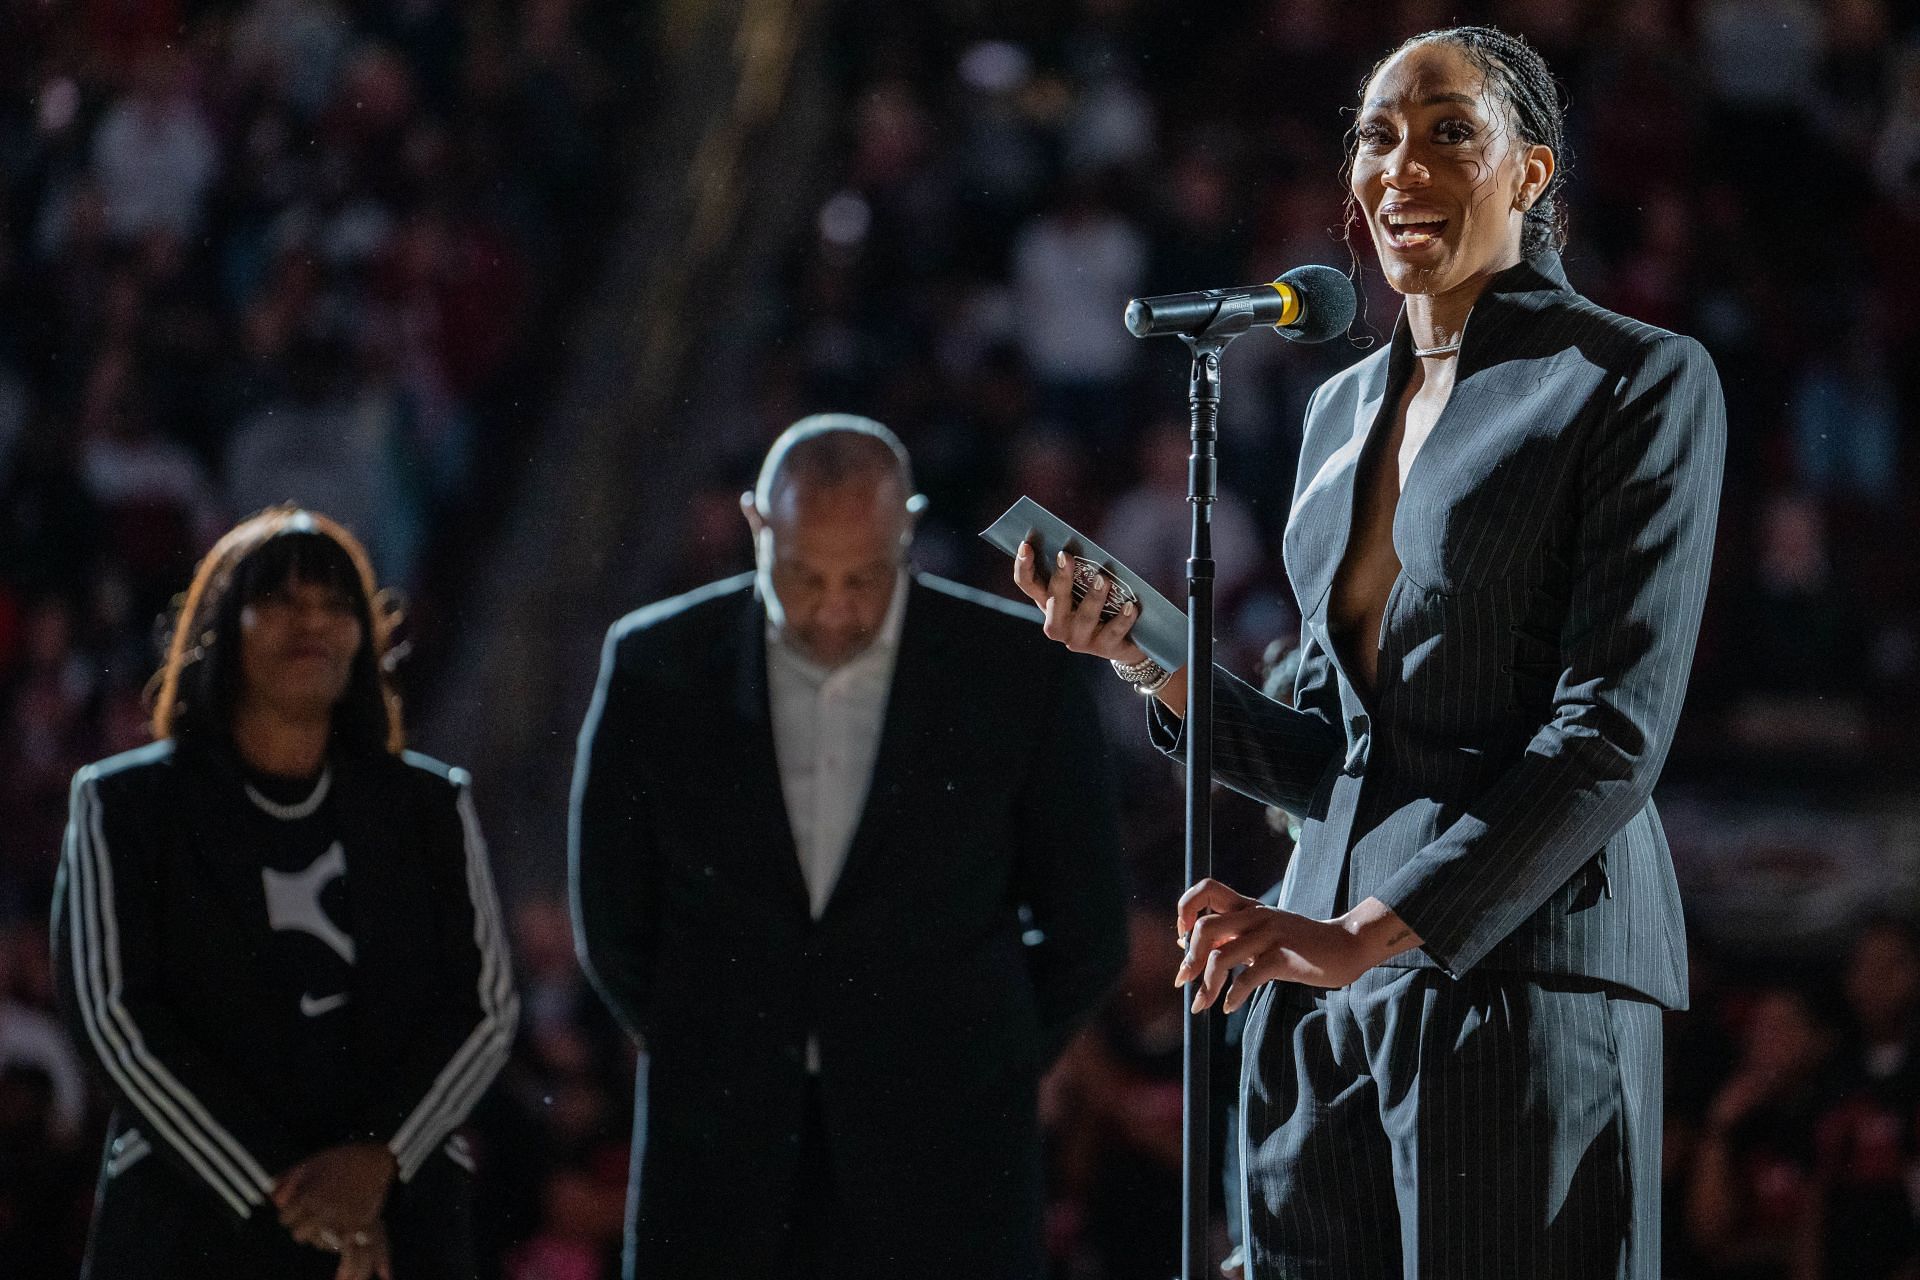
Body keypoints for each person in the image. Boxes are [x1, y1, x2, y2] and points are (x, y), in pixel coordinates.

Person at [1015, 25, 1725, 1279]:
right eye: (1379, 136)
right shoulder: (1341, 411)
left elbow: (1612, 734)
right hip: (1316, 970)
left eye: (1452, 131)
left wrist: (1374, 929)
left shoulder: (1630, 379)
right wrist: (1144, 652)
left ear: (1533, 173)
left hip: (1522, 969)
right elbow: (1335, 758)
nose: (1402, 164)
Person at [571, 413, 1128, 1279]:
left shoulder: (1020, 670)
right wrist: (714, 1039)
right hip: (719, 1145)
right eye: (800, 575)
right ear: (758, 524)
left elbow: (1088, 924)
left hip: (952, 1153)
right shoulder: (654, 665)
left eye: (866, 578)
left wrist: (985, 1056)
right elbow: (610, 913)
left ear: (907, 526)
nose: (833, 609)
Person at [51, 507, 518, 1280]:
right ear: (220, 627)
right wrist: (300, 1197)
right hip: (192, 1224)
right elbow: (115, 1023)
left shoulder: (430, 808)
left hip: (401, 1222)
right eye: (283, 600)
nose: (314, 622)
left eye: (337, 605)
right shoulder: (124, 807)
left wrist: (380, 1163)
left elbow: (487, 1010)